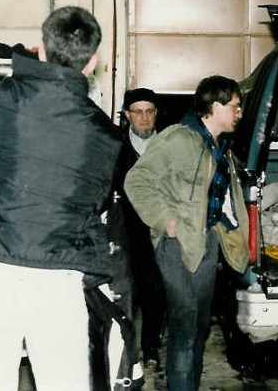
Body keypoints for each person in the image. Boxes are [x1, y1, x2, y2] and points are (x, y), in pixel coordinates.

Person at [0, 6, 122, 390]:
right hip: (58, 279)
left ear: (40, 49)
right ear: (93, 62)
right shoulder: (105, 136)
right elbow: (97, 206)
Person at [124, 75, 250, 391]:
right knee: (184, 322)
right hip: (176, 245)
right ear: (216, 106)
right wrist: (167, 221)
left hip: (205, 243)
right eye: (235, 105)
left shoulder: (219, 146)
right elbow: (136, 181)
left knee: (198, 325)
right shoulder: (178, 139)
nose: (239, 112)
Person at [115, 88, 167, 368]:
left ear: (156, 114)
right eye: (138, 112)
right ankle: (125, 351)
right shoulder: (117, 148)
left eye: (149, 111)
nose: (144, 118)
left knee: (155, 290)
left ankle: (150, 348)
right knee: (126, 291)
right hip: (127, 231)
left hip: (160, 230)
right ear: (127, 115)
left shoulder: (169, 146)